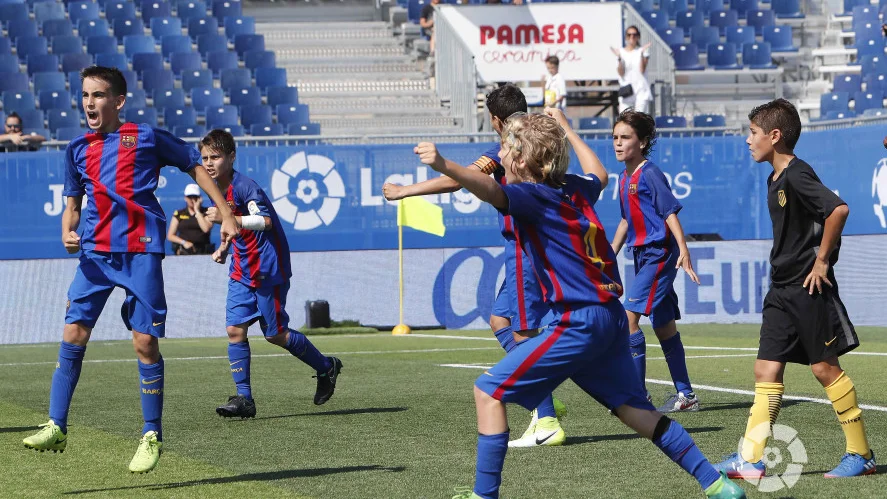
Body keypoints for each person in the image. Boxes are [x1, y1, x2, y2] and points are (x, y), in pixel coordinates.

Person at [421, 113, 744, 499]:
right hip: (609, 316)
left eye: (507, 148)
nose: (500, 155)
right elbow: (599, 174)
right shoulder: (575, 188)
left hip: (579, 321)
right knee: (634, 411)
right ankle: (715, 483)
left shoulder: (529, 194)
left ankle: (483, 495)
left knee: (488, 392)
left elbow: (489, 189)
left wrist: (444, 165)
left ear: (523, 161)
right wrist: (568, 130)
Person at [22, 66, 238, 474]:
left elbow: (194, 164)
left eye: (99, 95)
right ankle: (57, 424)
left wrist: (225, 213)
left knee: (144, 344)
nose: (89, 103)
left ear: (118, 101)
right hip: (94, 256)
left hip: (140, 253)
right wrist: (67, 231)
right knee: (73, 332)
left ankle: (151, 433)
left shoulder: (145, 137)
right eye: (85, 95)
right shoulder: (76, 148)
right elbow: (71, 206)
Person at [383, 85, 600, 448]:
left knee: (521, 331)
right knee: (500, 320)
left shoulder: (509, 147)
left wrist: (406, 190)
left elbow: (458, 180)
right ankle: (539, 399)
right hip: (533, 247)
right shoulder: (539, 138)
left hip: (525, 250)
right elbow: (598, 179)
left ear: (495, 120)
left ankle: (545, 417)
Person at [715, 98, 876, 479]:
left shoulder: (797, 173)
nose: (748, 140)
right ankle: (752, 459)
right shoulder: (774, 178)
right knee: (766, 369)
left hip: (807, 288)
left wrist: (822, 261)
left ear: (774, 136)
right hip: (780, 291)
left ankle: (861, 454)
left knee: (824, 369)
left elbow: (838, 210)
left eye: (753, 133)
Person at [201, 129, 343, 419]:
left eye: (215, 156)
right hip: (242, 268)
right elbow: (233, 227)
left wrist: (231, 219)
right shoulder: (216, 186)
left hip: (268, 269)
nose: (209, 163)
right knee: (234, 330)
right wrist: (224, 247)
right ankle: (245, 399)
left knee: (275, 334)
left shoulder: (245, 186)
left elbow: (264, 221)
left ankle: (326, 366)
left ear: (231, 157)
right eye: (204, 157)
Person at [609, 109, 701, 413]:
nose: (618, 144)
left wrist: (683, 248)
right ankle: (686, 396)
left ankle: (638, 399)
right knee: (664, 327)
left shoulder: (649, 173)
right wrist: (609, 253)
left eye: (626, 137)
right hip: (642, 255)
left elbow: (669, 212)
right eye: (615, 138)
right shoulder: (623, 177)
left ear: (644, 141)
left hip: (659, 254)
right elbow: (625, 221)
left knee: (628, 320)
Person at [610, 26, 653, 114]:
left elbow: (642, 70)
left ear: (638, 37)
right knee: (625, 119)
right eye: (629, 35)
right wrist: (619, 58)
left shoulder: (642, 51)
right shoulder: (621, 52)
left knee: (639, 119)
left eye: (634, 35)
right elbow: (621, 73)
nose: (631, 37)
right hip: (627, 91)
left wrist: (641, 54)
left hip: (641, 90)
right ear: (626, 37)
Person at [167, 183, 213, 255]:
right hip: (184, 251)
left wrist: (197, 211)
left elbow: (206, 229)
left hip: (203, 251)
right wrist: (184, 242)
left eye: (194, 197)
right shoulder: (179, 214)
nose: (192, 199)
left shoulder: (206, 212)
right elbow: (170, 236)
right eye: (189, 197)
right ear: (185, 198)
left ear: (199, 198)